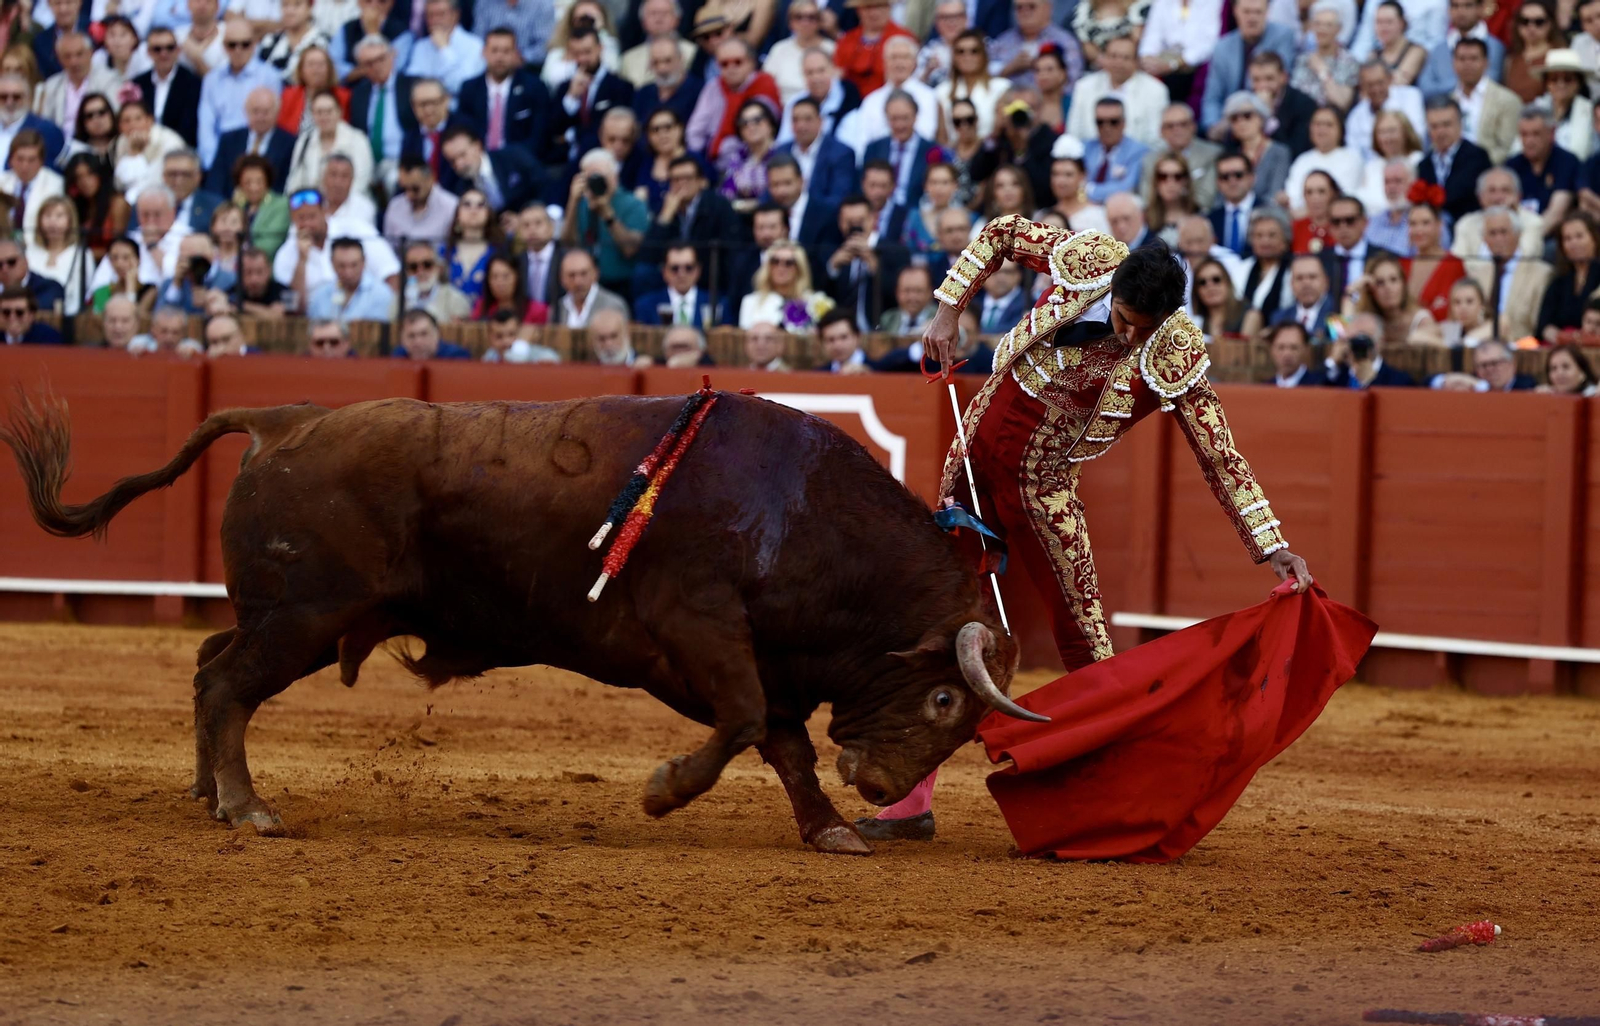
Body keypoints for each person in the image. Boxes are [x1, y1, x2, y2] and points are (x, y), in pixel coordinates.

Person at [864, 217, 1312, 840]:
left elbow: (1219, 454)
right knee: (933, 620)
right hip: (971, 460)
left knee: (1086, 645)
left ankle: (1118, 800)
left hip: (1043, 490)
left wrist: (1271, 544)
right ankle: (909, 804)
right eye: (1125, 318)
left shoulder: (1174, 350)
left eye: (1144, 328)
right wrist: (947, 310)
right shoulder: (1088, 256)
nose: (1130, 336)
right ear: (1114, 286)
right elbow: (997, 234)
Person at [1202, 0, 1299, 137]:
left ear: (1267, 12)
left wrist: (1238, 114)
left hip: (1268, 117)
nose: (1252, 18)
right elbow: (1212, 97)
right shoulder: (1223, 46)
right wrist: (1212, 125)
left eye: (1258, 12)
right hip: (1227, 125)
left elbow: (1276, 85)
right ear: (1235, 11)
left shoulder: (1283, 36)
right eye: (1247, 11)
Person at [197, 20, 283, 170]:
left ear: (255, 44)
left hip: (257, 152)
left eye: (245, 44)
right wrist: (212, 163)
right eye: (232, 45)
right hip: (221, 153)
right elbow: (206, 126)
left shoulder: (270, 77)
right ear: (224, 46)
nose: (238, 50)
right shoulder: (212, 79)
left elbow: (273, 120)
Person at [457, 28, 547, 158]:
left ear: (516, 54)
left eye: (506, 51)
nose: (500, 57)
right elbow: (464, 131)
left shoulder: (534, 87)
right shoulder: (470, 89)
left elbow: (538, 137)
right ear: (484, 53)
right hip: (478, 161)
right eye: (494, 50)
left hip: (520, 162)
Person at [1067, 34, 1167, 149]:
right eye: (1113, 56)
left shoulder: (1155, 90)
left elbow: (1155, 138)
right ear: (1104, 58)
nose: (1119, 62)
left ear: (1136, 62)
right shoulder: (1084, 86)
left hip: (1137, 159)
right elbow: (1074, 133)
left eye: (1125, 58)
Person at [684, 36, 773, 159]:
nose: (731, 68)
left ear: (752, 62)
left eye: (737, 62)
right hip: (714, 160)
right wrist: (697, 159)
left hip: (755, 157)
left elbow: (762, 131)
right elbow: (695, 131)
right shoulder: (713, 87)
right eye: (724, 64)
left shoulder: (765, 84)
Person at [1508, 104, 1581, 242]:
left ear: (1552, 133)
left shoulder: (1566, 162)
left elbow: (1556, 214)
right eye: (1524, 134)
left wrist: (1525, 242)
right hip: (1516, 236)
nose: (1529, 141)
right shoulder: (1512, 165)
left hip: (1551, 237)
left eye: (1536, 134)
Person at [773, 96, 861, 209]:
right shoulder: (782, 151)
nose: (801, 125)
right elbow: (769, 192)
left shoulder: (841, 153)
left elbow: (838, 198)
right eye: (795, 120)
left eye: (807, 119)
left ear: (820, 121)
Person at [205, 86, 295, 196]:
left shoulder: (290, 143)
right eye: (255, 111)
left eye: (266, 112)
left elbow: (285, 184)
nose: (260, 117)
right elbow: (216, 180)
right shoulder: (229, 140)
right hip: (229, 205)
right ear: (246, 112)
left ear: (277, 113)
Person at [286, 89, 373, 196]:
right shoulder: (305, 140)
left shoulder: (357, 139)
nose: (324, 117)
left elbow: (361, 181)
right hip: (312, 205)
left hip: (350, 205)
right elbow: (294, 180)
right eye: (319, 112)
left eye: (329, 111)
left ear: (339, 112)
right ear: (313, 114)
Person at [1450, 38, 1521, 166]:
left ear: (1486, 63)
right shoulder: (1449, 101)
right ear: (1453, 63)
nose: (1467, 64)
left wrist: (1477, 166)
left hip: (1491, 171)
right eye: (1462, 59)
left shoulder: (1507, 100)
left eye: (1473, 59)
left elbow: (1507, 147)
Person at [738, 239, 832, 332]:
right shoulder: (750, 302)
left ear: (799, 267)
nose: (781, 268)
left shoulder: (816, 302)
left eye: (789, 263)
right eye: (775, 262)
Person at [1417, 0, 1505, 96]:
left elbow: (1489, 84)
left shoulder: (1495, 47)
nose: (1461, 12)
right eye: (1455, 6)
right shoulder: (1439, 49)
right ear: (1449, 10)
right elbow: (1425, 88)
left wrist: (1444, 86)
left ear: (1480, 8)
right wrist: (1463, 83)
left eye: (1468, 5)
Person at [1285, 106, 1362, 213]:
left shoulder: (1351, 158)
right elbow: (1292, 197)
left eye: (1328, 125)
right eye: (1317, 124)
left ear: (1340, 129)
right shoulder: (1302, 160)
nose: (1322, 129)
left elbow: (1344, 195)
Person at [833, 0, 915, 100]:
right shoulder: (846, 41)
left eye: (879, 6)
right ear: (858, 11)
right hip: (851, 103)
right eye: (868, 8)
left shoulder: (903, 38)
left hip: (892, 100)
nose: (873, 13)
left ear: (889, 8)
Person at [1537, 213, 1600, 341]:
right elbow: (1544, 325)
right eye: (1567, 238)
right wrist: (1564, 338)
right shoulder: (1558, 281)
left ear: (1594, 238)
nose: (1573, 243)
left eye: (1579, 236)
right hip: (1562, 349)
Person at [305, 235, 395, 324]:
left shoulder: (382, 294)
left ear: (364, 262)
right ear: (332, 263)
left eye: (354, 265)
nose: (348, 272)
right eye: (342, 266)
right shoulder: (320, 296)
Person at [633, 243, 725, 328]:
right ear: (664, 272)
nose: (682, 274)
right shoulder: (646, 305)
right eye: (675, 268)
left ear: (698, 270)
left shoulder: (717, 303)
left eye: (688, 268)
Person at [404, 0, 484, 97]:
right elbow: (412, 84)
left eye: (441, 14)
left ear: (455, 15)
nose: (435, 21)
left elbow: (462, 87)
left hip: (458, 109)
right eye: (430, 15)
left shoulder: (474, 46)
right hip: (424, 106)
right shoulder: (421, 47)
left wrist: (444, 50)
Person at [1222, 92, 1290, 206]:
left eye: (1247, 115)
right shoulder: (1231, 155)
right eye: (1234, 118)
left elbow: (1275, 194)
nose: (1241, 122)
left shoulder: (1279, 152)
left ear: (1261, 118)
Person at [1405, 196, 1466, 322]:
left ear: (1439, 225)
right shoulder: (1402, 264)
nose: (1419, 230)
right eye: (1413, 224)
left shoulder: (1454, 264)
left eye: (1425, 223)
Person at [935, 31, 1004, 140]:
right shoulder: (942, 91)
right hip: (953, 155)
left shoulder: (1001, 88)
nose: (967, 56)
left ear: (983, 55)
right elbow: (942, 138)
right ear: (954, 57)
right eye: (960, 51)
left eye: (974, 51)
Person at [1081, 96, 1149, 205]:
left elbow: (1126, 188)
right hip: (1085, 210)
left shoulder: (1138, 151)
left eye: (1113, 122)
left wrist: (1088, 190)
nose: (1106, 128)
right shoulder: (1085, 148)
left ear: (1124, 123)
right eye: (1100, 122)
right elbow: (1074, 185)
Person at [26, 194, 88, 313]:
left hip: (69, 317)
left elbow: (83, 294)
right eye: (47, 215)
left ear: (70, 221)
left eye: (59, 216)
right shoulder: (30, 252)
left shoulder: (81, 254)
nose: (52, 222)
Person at [1292, 0, 1360, 109]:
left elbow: (1341, 103)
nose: (1322, 29)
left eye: (1328, 25)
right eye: (1318, 24)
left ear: (1339, 29)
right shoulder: (1302, 60)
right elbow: (1294, 99)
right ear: (1312, 27)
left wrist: (1322, 71)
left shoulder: (1349, 62)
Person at [540, 0, 619, 91]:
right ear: (571, 22)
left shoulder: (608, 44)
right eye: (580, 19)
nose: (585, 23)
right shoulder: (559, 50)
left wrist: (599, 32)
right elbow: (549, 79)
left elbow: (613, 69)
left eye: (590, 19)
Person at [1357, 109, 1424, 216]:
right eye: (1382, 132)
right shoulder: (1371, 167)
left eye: (1392, 131)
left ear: (1406, 133)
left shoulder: (1419, 161)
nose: (1387, 137)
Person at [1324, 311, 1418, 387]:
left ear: (1380, 342)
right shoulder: (1336, 376)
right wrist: (1332, 362)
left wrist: (1369, 380)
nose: (1359, 345)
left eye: (1365, 339)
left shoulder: (1400, 381)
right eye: (1354, 339)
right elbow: (1314, 393)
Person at [1, 131, 65, 240]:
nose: (25, 166)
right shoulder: (2, 181)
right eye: (20, 159)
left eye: (31, 160)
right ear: (11, 160)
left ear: (41, 161)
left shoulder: (55, 184)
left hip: (39, 248)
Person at [717, 98, 779, 211]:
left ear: (771, 124)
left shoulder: (781, 154)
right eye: (744, 123)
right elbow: (726, 193)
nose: (750, 126)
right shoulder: (739, 157)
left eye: (757, 120)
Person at [65, 154, 130, 258]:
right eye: (78, 177)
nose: (85, 181)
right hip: (83, 264)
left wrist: (84, 254)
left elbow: (118, 248)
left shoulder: (117, 203)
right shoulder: (80, 207)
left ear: (99, 174)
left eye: (90, 174)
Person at [1536, 49, 1596, 160]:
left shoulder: (1590, 112)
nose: (1561, 84)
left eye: (1568, 79)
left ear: (1579, 83)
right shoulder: (1536, 108)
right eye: (1554, 79)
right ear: (1546, 84)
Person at [277, 46, 349, 136]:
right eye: (311, 64)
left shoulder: (344, 97)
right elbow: (282, 129)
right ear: (301, 70)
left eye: (321, 65)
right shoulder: (289, 95)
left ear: (329, 69)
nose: (316, 70)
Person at [1238, 207, 1295, 318]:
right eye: (1259, 235)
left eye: (1272, 235)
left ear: (1285, 240)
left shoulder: (1293, 270)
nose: (1265, 241)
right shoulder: (1243, 268)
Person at [634, 34, 702, 128]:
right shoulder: (643, 94)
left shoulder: (700, 91)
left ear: (681, 59)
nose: (662, 69)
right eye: (656, 62)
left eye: (668, 61)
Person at [906, 162, 974, 252]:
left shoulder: (969, 217)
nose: (939, 188)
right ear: (925, 186)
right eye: (934, 182)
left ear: (955, 185)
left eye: (945, 182)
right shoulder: (914, 217)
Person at [257, 0, 330, 84]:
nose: (290, 11)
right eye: (285, 5)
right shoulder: (269, 41)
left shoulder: (323, 42)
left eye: (297, 4)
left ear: (310, 8)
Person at [1269, 253, 1338, 341]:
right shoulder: (1279, 318)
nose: (1306, 283)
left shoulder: (1337, 312)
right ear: (1291, 284)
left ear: (1326, 282)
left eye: (1312, 277)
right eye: (1299, 278)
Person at [231, 153, 290, 256]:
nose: (254, 188)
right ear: (239, 184)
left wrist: (236, 252)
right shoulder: (236, 206)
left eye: (259, 181)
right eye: (248, 182)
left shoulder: (281, 205)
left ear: (267, 181)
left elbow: (270, 245)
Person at [1506, 0, 1563, 103]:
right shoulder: (1510, 59)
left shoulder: (1559, 56)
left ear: (1550, 24)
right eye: (1525, 21)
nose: (1531, 27)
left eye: (1539, 22)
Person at [399, 239, 470, 322]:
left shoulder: (456, 300)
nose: (420, 272)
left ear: (438, 268)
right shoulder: (399, 302)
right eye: (413, 267)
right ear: (407, 272)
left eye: (427, 265)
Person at [554, 248, 626, 328]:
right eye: (571, 275)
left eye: (583, 274)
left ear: (595, 274)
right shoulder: (558, 308)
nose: (578, 282)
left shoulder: (613, 305)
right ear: (562, 279)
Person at [472, 251, 547, 324]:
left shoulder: (536, 311)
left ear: (517, 277)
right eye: (494, 277)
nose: (500, 282)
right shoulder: (481, 307)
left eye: (506, 276)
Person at [1433, 338, 1538, 389]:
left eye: (1495, 363)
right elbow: (1427, 381)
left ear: (1511, 363)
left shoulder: (1527, 385)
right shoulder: (1474, 383)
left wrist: (1482, 387)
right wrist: (1446, 380)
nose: (1489, 369)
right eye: (1483, 365)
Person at [1191, 255, 1255, 339]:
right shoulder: (1195, 323)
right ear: (1196, 291)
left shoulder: (1250, 316)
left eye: (1216, 279)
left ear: (1227, 283)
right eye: (1202, 282)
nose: (1210, 286)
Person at [1072, 0, 1150, 69]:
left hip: (1132, 66)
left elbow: (1137, 39)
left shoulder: (1140, 6)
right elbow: (1087, 46)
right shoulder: (1085, 9)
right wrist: (1109, 64)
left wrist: (1119, 62)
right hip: (1099, 69)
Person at [87, 235, 150, 311]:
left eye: (126, 257)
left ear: (138, 260)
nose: (119, 264)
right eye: (115, 258)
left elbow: (131, 318)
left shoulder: (149, 291)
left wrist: (131, 286)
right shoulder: (102, 292)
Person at [480, 308, 560, 363]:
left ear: (519, 333)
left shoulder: (535, 354)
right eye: (499, 336)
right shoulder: (489, 358)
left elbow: (554, 358)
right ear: (490, 337)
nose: (506, 341)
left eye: (511, 334)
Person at [876, 265, 936, 335]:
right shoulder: (887, 320)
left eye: (918, 291)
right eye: (907, 291)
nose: (912, 297)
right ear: (897, 292)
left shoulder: (940, 319)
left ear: (930, 292)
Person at [1438, 276, 1495, 345]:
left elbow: (1503, 323)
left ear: (1481, 305)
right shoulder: (1451, 329)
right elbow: (1422, 335)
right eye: (1457, 302)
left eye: (1469, 301)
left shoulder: (1494, 323)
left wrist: (1462, 343)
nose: (1463, 308)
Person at [394, 307, 470, 359]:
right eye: (411, 336)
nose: (418, 342)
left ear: (437, 334)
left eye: (424, 334)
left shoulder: (456, 357)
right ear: (402, 339)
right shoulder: (398, 357)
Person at [1267, 322, 1327, 386]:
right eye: (1281, 348)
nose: (1287, 354)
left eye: (1294, 348)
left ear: (1306, 349)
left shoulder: (1319, 384)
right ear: (1271, 349)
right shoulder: (1266, 388)